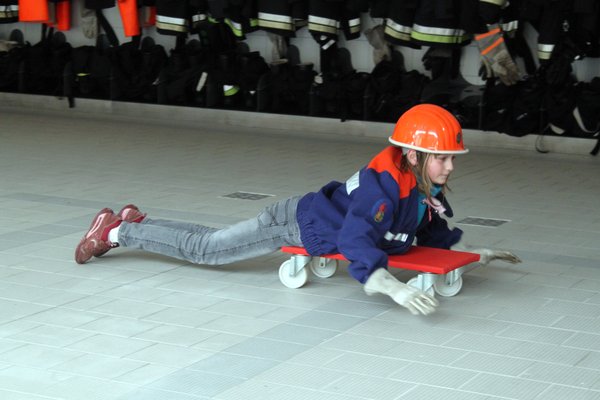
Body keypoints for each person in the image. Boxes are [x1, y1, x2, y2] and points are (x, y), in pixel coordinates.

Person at [75, 104, 520, 315]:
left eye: (451, 157)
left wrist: (470, 252)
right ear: (413, 154)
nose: (449, 165)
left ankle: (138, 221)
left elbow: (427, 230)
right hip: (294, 224)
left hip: (311, 216)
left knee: (209, 239)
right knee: (207, 250)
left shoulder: (422, 187)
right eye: (441, 157)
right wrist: (391, 287)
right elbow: (354, 240)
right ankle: (118, 232)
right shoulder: (381, 189)